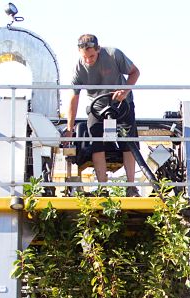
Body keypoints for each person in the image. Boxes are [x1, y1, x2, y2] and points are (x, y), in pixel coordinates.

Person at [65, 34, 141, 197]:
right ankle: (102, 188)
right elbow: (74, 97)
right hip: (97, 107)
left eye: (91, 56)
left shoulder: (114, 55)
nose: (89, 60)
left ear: (98, 50)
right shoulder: (79, 68)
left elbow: (135, 72)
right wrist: (69, 129)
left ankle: (131, 187)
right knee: (96, 141)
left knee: (129, 141)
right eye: (85, 57)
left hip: (122, 104)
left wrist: (125, 91)